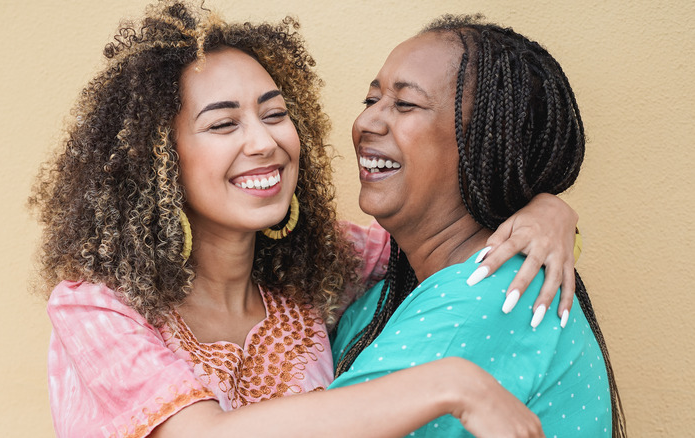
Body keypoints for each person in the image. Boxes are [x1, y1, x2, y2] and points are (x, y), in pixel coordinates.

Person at [30, 3, 578, 437]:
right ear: (158, 160)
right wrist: (451, 384)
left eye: (274, 114)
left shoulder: (317, 268)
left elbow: (440, 238)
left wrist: (547, 208)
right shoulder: (97, 304)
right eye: (223, 125)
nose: (264, 142)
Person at [330, 14, 627, 438]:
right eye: (371, 100)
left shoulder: (494, 296)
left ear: (487, 139)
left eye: (405, 103)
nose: (367, 123)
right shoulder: (386, 289)